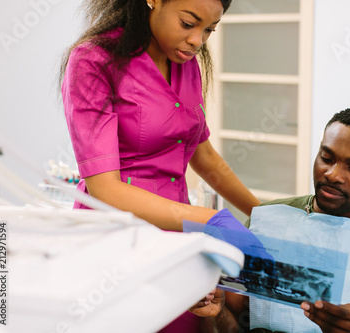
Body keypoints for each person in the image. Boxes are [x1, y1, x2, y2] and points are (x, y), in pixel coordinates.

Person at [60, 0, 261, 332]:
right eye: (188, 23)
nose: (198, 40)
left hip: (177, 241)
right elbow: (104, 188)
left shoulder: (185, 62)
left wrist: (263, 215)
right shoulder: (94, 60)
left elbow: (203, 154)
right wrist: (212, 221)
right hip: (116, 244)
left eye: (209, 29)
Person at [195, 108, 350, 333]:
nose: (332, 174)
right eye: (327, 158)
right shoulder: (266, 222)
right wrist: (216, 313)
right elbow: (236, 326)